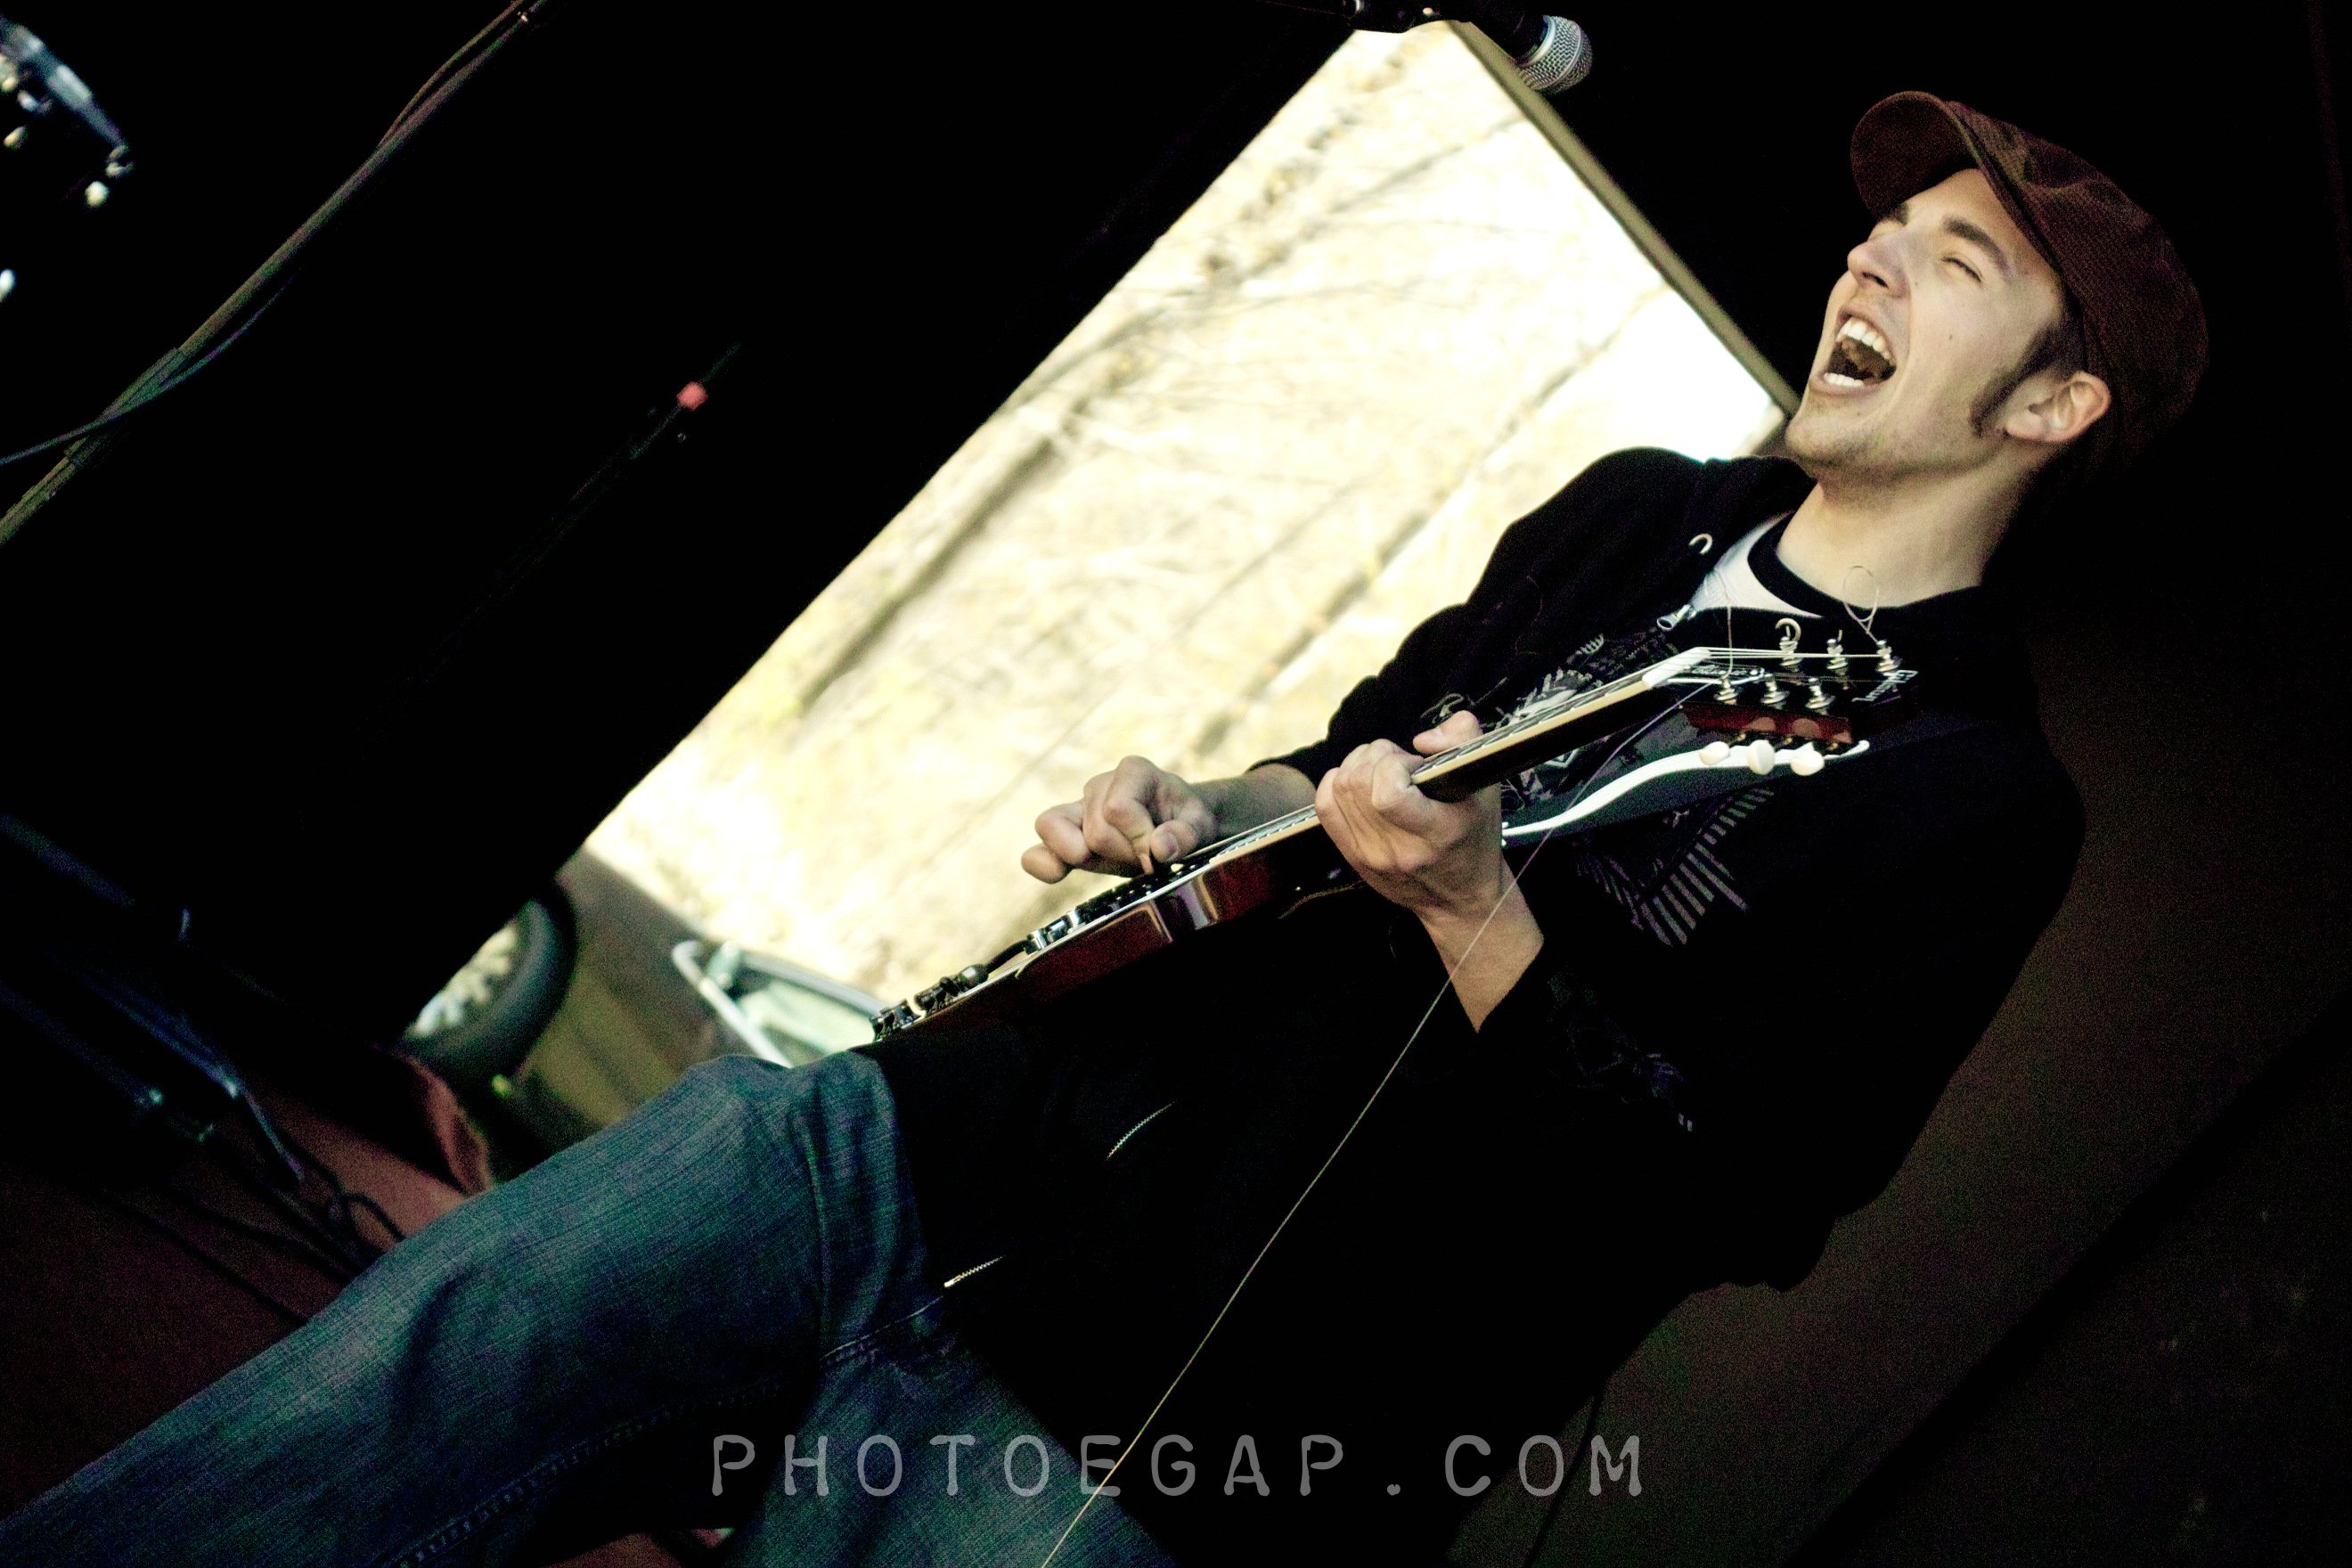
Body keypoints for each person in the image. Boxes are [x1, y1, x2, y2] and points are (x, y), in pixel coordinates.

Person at [0, 92, 2201, 1568]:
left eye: (1954, 259)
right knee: (375, 1402)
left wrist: (1480, 912)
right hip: (960, 1133)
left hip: (1194, 1412)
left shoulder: (1966, 796)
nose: (1874, 258)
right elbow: (1343, 768)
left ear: (2054, 400)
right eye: (1885, 225)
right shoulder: (1639, 515)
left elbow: (1736, 1195)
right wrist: (1199, 804)